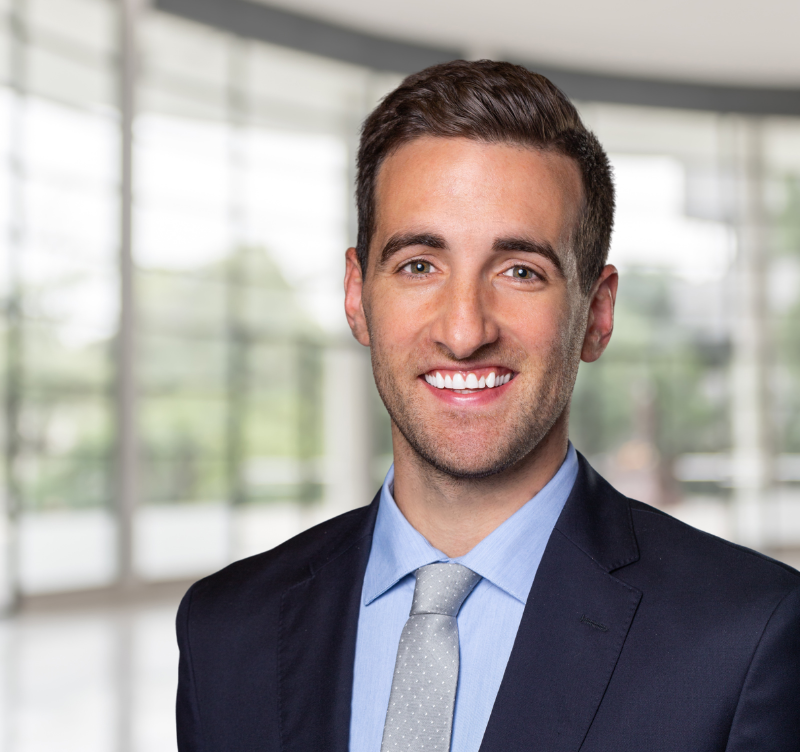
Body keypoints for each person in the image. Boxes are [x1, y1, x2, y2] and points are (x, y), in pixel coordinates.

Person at [176, 60, 800, 752]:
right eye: (419, 265)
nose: (465, 330)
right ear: (357, 296)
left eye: (520, 272)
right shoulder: (226, 629)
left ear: (596, 314)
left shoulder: (746, 638)